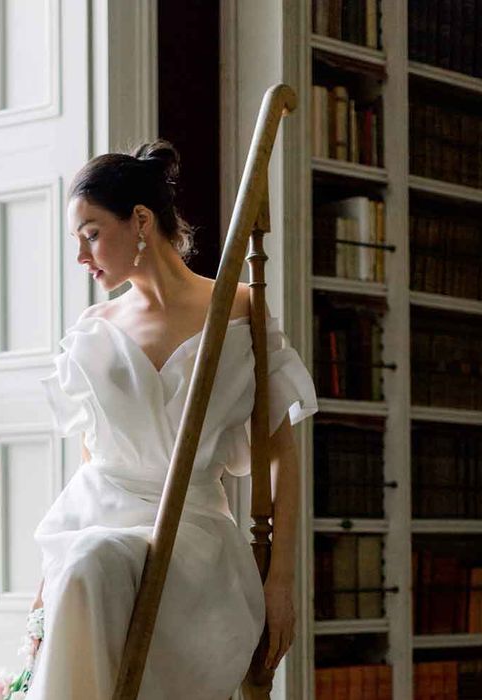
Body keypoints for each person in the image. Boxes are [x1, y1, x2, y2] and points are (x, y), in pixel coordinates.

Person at [25, 139, 318, 699]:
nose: (82, 257)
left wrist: (281, 579)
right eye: (77, 240)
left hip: (193, 533)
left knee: (93, 558)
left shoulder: (240, 309)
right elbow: (92, 458)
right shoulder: (94, 327)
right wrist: (49, 581)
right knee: (87, 557)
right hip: (98, 522)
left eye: (90, 234)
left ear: (140, 221)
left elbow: (281, 453)